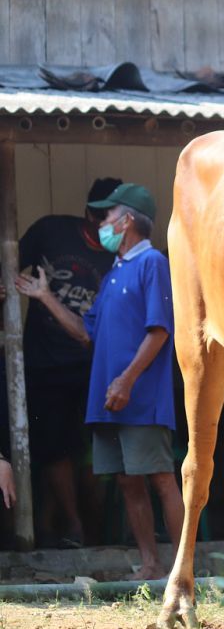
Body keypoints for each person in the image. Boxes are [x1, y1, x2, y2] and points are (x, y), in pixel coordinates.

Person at [16, 183, 183, 580]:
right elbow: (85, 332)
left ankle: (182, 568)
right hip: (108, 400)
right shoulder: (114, 273)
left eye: (107, 217)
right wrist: (44, 296)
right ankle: (150, 564)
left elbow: (159, 332)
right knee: (128, 482)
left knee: (160, 478)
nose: (101, 223)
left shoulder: (152, 264)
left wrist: (126, 381)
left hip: (139, 398)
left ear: (126, 222)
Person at [10, 177, 120, 547]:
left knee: (92, 454)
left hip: (93, 366)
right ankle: (72, 527)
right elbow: (11, 268)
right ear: (87, 213)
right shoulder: (50, 231)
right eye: (100, 218)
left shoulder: (120, 256)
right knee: (54, 449)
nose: (106, 227)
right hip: (45, 364)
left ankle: (94, 530)